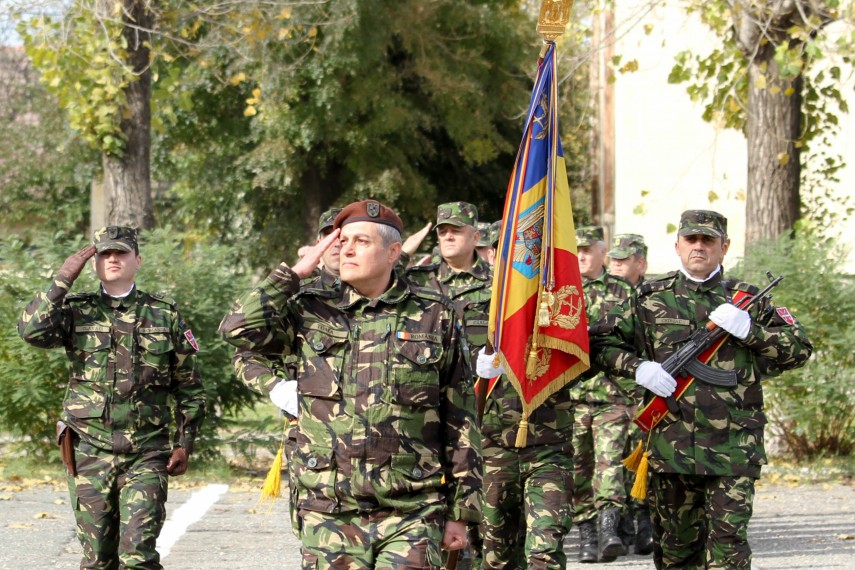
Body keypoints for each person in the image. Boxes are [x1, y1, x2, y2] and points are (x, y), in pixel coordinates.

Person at [219, 199, 482, 569]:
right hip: (328, 508)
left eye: (361, 241)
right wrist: (293, 275)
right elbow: (236, 330)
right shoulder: (309, 308)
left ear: (393, 252)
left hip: (411, 508)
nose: (347, 249)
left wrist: (461, 512)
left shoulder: (434, 314)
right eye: (343, 241)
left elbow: (461, 420)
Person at [590, 209, 813, 569]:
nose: (699, 246)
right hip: (671, 444)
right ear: (677, 245)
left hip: (733, 447)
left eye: (708, 240)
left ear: (724, 247)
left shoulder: (747, 300)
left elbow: (799, 349)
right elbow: (600, 345)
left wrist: (750, 330)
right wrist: (639, 368)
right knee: (676, 552)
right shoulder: (648, 298)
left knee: (729, 548)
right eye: (691, 239)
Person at [17, 226, 206, 570]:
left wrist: (184, 443)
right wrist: (62, 280)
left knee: (138, 557)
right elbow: (32, 332)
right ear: (94, 264)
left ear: (138, 261)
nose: (113, 259)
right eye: (105, 254)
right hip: (90, 450)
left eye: (121, 253)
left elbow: (188, 385)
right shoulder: (76, 310)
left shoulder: (163, 313)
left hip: (146, 451)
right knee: (98, 560)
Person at [569, 226, 635, 563]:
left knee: (609, 462)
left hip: (612, 394)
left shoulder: (622, 291)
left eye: (587, 250)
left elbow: (635, 339)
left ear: (602, 252)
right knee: (578, 466)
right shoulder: (562, 290)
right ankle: (587, 533)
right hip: (571, 395)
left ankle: (609, 528)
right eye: (577, 250)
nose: (581, 256)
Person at [606, 232, 654, 554]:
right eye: (613, 259)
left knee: (643, 458)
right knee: (611, 460)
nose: (616, 265)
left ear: (641, 263)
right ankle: (619, 525)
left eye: (623, 260)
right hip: (608, 392)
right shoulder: (605, 295)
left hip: (646, 393)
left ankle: (645, 523)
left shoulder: (655, 296)